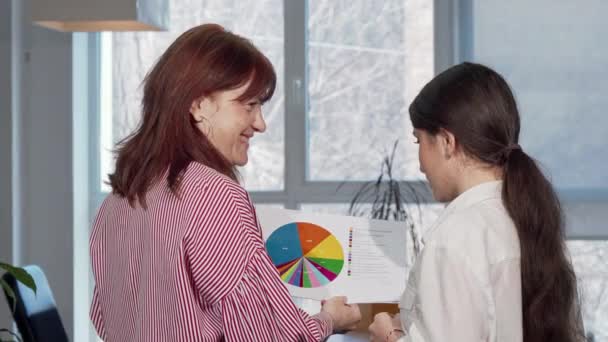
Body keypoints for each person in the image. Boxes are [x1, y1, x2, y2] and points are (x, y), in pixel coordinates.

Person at [89, 23, 360, 341]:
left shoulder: (119, 200)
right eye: (249, 105)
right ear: (199, 105)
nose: (260, 123)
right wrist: (329, 319)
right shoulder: (213, 194)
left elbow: (106, 319)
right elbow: (270, 336)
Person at [368, 62, 584, 342]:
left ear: (447, 142)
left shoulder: (455, 240)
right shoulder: (535, 224)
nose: (420, 164)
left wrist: (388, 337)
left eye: (418, 141)